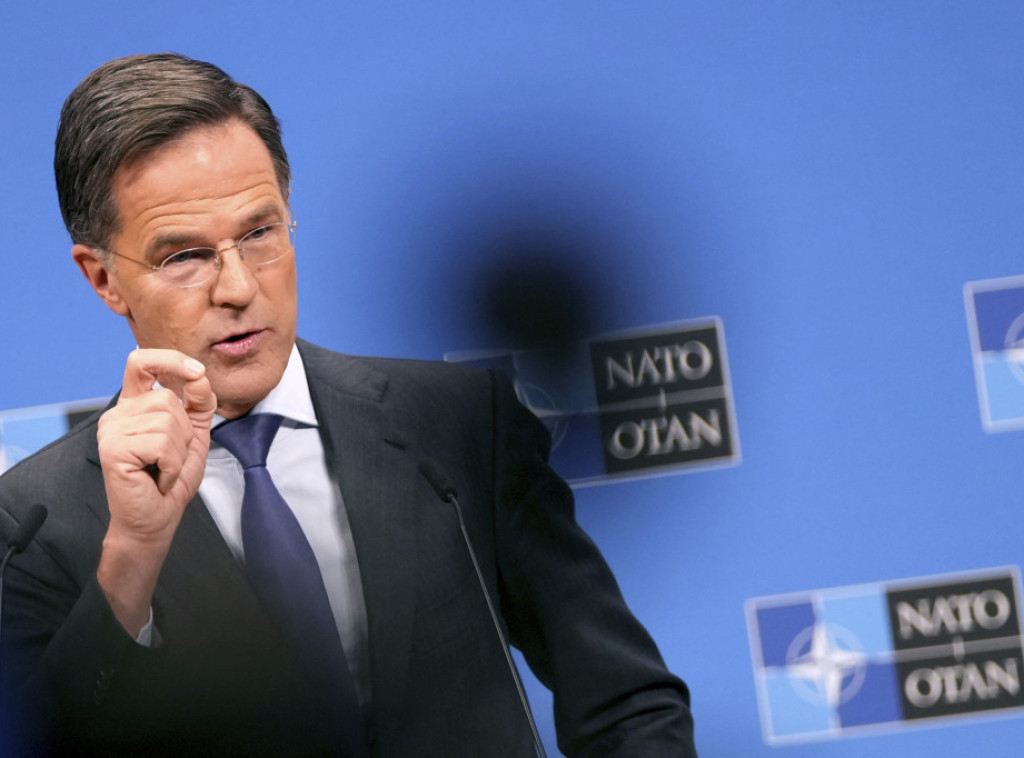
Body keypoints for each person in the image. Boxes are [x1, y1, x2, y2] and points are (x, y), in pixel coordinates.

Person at [0, 53, 697, 757]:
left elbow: (628, 705)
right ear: (103, 279)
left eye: (260, 233)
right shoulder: (35, 520)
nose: (237, 287)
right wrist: (131, 556)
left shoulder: (459, 425)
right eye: (184, 256)